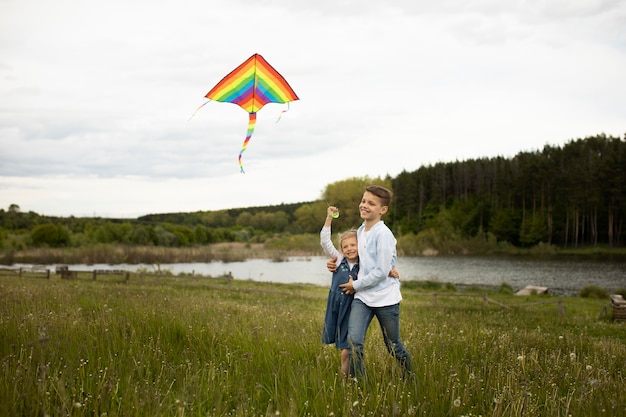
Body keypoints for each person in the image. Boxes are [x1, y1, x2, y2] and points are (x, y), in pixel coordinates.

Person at [328, 185, 413, 379]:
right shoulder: (360, 231)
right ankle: (360, 383)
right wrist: (334, 263)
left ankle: (411, 378)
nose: (364, 205)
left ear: (382, 210)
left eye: (371, 203)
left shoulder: (383, 234)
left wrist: (355, 285)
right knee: (353, 342)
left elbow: (381, 271)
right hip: (363, 298)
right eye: (364, 201)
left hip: (385, 299)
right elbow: (356, 257)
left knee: (393, 346)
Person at [320, 205, 400, 378]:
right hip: (336, 306)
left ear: (360, 246)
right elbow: (325, 242)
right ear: (341, 250)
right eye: (345, 246)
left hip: (354, 306)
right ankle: (347, 379)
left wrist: (390, 270)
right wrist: (329, 218)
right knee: (344, 347)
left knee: (347, 347)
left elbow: (379, 266)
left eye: (353, 245)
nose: (349, 249)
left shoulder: (363, 263)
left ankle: (349, 379)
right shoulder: (339, 259)